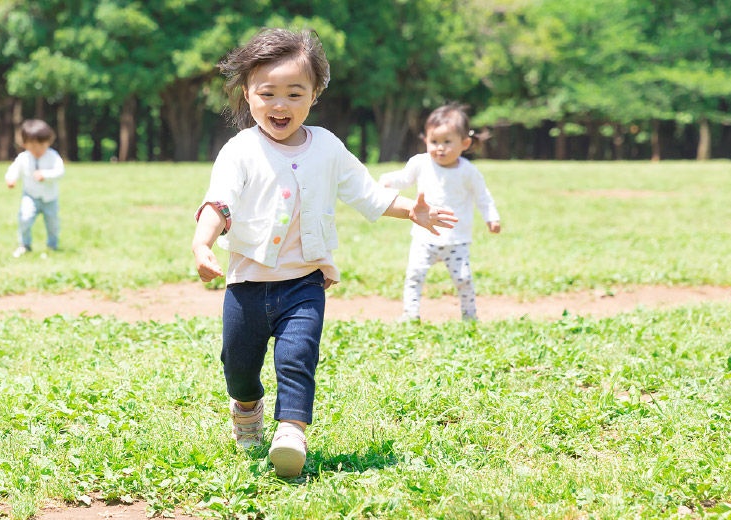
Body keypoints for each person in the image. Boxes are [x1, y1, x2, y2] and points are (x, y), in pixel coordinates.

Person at [191, 28, 457, 478]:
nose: (281, 105)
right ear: (247, 94)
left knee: (298, 357)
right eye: (267, 93)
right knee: (238, 366)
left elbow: (367, 193)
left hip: (304, 282)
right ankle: (247, 407)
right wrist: (203, 242)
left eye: (295, 93)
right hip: (246, 286)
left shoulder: (328, 147)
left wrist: (413, 210)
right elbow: (220, 202)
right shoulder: (240, 151)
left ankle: (291, 431)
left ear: (314, 95)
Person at [379, 103, 501, 322]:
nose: (439, 148)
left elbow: (483, 196)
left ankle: (470, 316)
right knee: (414, 275)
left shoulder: (468, 171)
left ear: (465, 143)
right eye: (434, 141)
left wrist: (491, 217)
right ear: (425, 140)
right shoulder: (420, 163)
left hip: (456, 239)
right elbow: (404, 178)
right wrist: (388, 181)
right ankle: (410, 314)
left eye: (447, 142)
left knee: (463, 278)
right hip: (424, 236)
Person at [5, 119, 65, 258]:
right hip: (30, 196)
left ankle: (52, 245)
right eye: (33, 146)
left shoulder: (53, 156)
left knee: (53, 223)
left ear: (49, 142)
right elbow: (14, 169)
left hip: (50, 198)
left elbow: (60, 171)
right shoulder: (23, 158)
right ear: (24, 144)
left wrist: (45, 174)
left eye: (41, 146)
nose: (37, 150)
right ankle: (25, 245)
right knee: (25, 218)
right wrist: (11, 179)